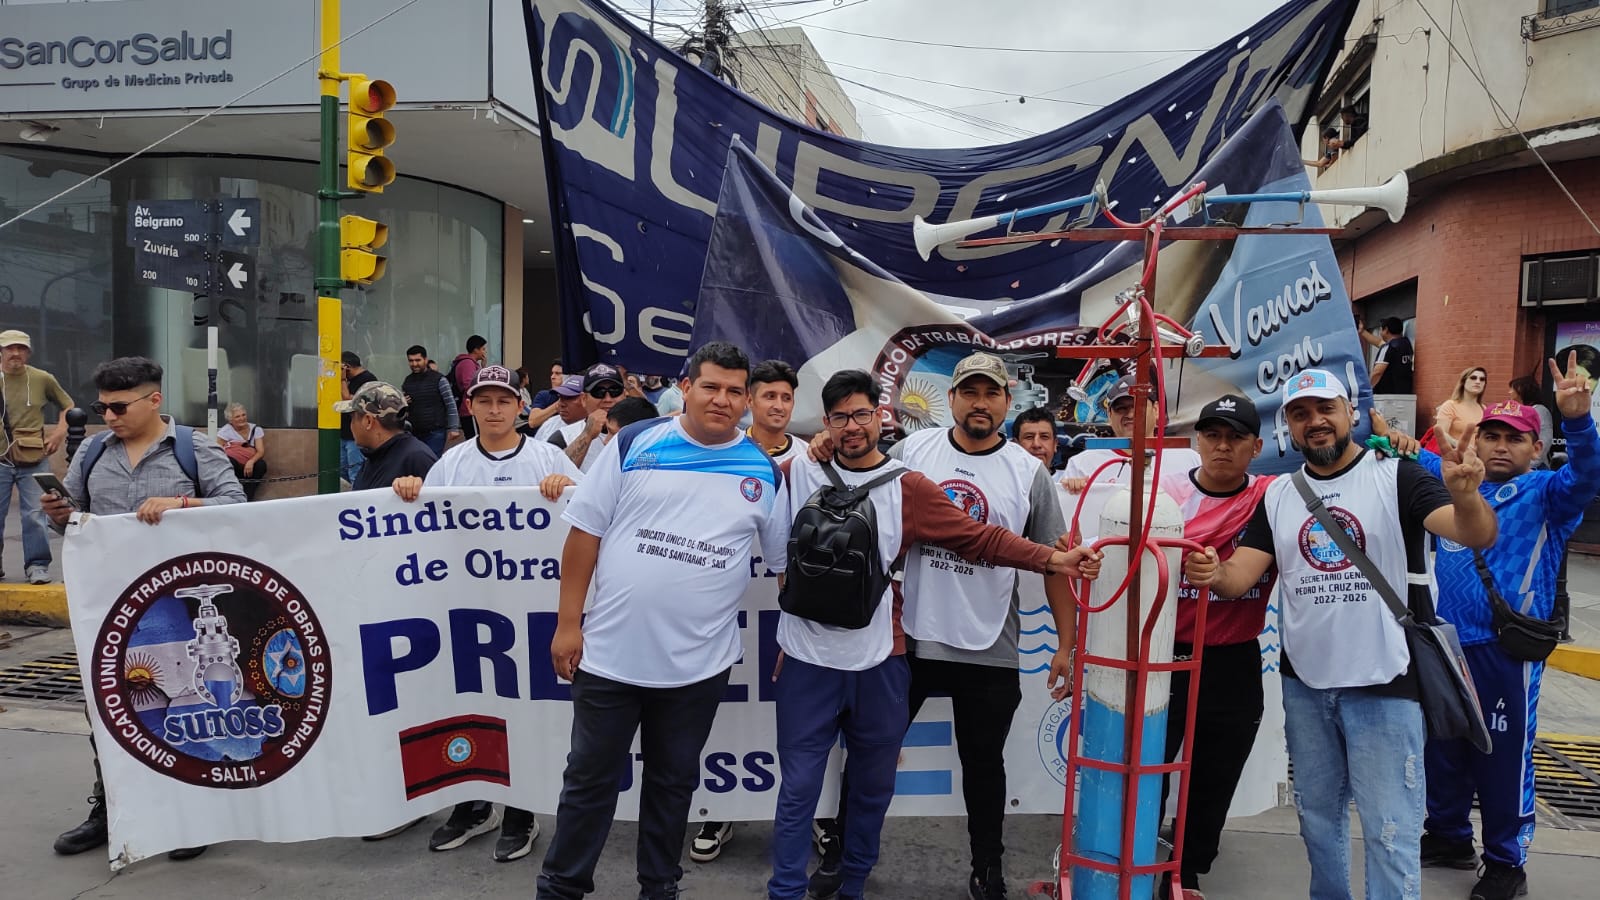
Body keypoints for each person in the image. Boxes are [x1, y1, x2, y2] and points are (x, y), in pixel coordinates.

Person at [770, 367, 1100, 900]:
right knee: (848, 774)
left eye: (991, 393)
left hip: (979, 642)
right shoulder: (905, 454)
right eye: (969, 391)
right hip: (903, 639)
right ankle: (831, 864)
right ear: (951, 398)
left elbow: (985, 539)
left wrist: (1062, 618)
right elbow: (777, 484)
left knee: (976, 765)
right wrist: (821, 443)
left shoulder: (1015, 473)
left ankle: (984, 869)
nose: (980, 402)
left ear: (1007, 400)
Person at [1183, 367, 1497, 900]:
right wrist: (1213, 572)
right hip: (1306, 687)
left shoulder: (1397, 475)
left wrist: (1466, 495)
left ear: (1350, 412)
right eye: (1300, 413)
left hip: (1386, 683)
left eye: (1326, 408)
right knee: (1318, 828)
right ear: (1287, 427)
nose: (1315, 421)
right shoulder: (1280, 495)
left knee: (1389, 832)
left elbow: (1475, 533)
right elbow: (1239, 577)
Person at [536, 341, 791, 900]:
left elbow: (783, 568)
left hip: (698, 667)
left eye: (734, 391)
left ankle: (659, 888)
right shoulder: (634, 442)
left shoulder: (764, 472)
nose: (722, 399)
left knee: (672, 786)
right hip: (609, 657)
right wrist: (568, 624)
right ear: (686, 387)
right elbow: (585, 534)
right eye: (710, 386)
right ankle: (560, 888)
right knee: (588, 783)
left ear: (746, 400)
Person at [1412, 355, 1600, 900]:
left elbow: (1588, 474)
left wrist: (1578, 421)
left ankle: (1506, 862)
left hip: (1505, 651)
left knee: (1501, 756)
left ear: (1535, 448)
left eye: (1513, 438)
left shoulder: (1549, 493)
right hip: (1447, 645)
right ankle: (1448, 836)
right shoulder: (1454, 479)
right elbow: (1408, 455)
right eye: (1490, 435)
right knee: (1443, 749)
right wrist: (1382, 431)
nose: (1499, 446)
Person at [43, 356, 245, 862]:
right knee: (106, 709)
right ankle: (110, 807)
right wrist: (60, 514)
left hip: (174, 608)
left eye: (118, 407)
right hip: (108, 606)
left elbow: (237, 505)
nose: (109, 417)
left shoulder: (193, 448)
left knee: (184, 706)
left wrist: (182, 504)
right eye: (102, 408)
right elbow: (75, 522)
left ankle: (192, 811)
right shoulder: (93, 450)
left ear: (154, 400)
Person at [392, 364, 582, 863]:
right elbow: (422, 523)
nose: (494, 410)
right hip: (470, 609)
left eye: (503, 401)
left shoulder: (547, 457)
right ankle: (474, 805)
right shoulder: (452, 463)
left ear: (520, 406)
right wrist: (410, 489)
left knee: (524, 708)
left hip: (530, 609)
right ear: (470, 406)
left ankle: (521, 811)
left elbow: (588, 516)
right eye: (484, 401)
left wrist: (567, 485)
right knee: (469, 703)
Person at [1155, 394, 1279, 898]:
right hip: (1162, 655)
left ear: (1257, 447)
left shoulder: (1274, 497)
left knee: (1214, 777)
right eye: (1212, 435)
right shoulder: (1162, 494)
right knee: (1148, 771)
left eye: (1235, 437)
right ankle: (1138, 862)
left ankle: (1185, 874)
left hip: (1231, 660)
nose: (1222, 446)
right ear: (1196, 441)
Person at [690, 359, 803, 864]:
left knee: (793, 720)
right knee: (726, 712)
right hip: (723, 611)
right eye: (768, 396)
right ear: (749, 401)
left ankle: (818, 815)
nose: (777, 405)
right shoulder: (719, 450)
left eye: (786, 397)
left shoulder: (811, 458)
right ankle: (719, 809)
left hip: (783, 611)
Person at [0, 329, 74, 583]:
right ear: (1, 351)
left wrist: (59, 433)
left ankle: (37, 565)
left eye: (21, 348)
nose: (16, 353)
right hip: (0, 458)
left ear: (29, 352)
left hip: (33, 457)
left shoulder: (42, 378)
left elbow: (68, 406)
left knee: (35, 514)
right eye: (10, 348)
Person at [338, 381, 437, 492]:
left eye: (352, 418)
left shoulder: (417, 458)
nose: (351, 425)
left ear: (368, 421)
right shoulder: (376, 455)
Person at [549, 363, 624, 472]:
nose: (608, 399)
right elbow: (553, 473)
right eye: (599, 392)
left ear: (624, 395)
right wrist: (587, 434)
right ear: (584, 399)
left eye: (615, 391)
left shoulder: (639, 433)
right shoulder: (563, 436)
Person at [401, 345, 462, 456]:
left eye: (418, 360)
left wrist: (454, 427)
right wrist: (402, 402)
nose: (414, 364)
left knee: (432, 462)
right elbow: (406, 409)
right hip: (414, 432)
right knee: (417, 462)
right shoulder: (407, 381)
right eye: (411, 361)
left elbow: (450, 404)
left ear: (425, 360)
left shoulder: (439, 379)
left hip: (435, 432)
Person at [340, 351, 377, 485]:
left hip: (356, 437)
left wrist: (342, 379)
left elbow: (348, 400)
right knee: (342, 471)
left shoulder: (368, 380)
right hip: (344, 433)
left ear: (347, 367)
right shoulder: (350, 380)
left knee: (355, 473)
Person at [217, 402, 267, 500]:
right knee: (229, 462)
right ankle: (234, 494)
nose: (242, 418)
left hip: (250, 465)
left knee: (261, 465)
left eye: (243, 415)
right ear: (231, 420)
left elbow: (260, 451)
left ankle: (248, 497)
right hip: (234, 467)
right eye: (237, 416)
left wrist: (251, 462)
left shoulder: (256, 429)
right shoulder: (225, 431)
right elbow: (217, 451)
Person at [1436, 366, 1489, 452]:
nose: (1478, 381)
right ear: (1463, 382)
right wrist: (1458, 444)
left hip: (1478, 456)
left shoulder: (1484, 408)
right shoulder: (1450, 405)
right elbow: (1441, 433)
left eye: (1482, 379)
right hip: (1456, 455)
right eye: (1473, 378)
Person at [1507, 375, 1552, 468]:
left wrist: (1528, 466)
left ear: (1521, 390)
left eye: (1512, 389)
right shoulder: (1515, 411)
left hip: (1534, 468)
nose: (1509, 392)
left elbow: (1544, 442)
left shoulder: (1540, 411)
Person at [449, 335, 489, 438]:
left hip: (471, 408)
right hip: (469, 410)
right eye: (483, 349)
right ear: (476, 350)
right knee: (475, 439)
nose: (485, 352)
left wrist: (483, 367)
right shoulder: (467, 363)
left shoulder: (472, 364)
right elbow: (469, 386)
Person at [1367, 317, 1414, 396]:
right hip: (1406, 394)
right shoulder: (1406, 344)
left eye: (1381, 330)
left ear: (1386, 330)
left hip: (1387, 396)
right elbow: (1379, 342)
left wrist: (1366, 390)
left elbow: (1377, 372)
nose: (1380, 333)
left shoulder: (1388, 347)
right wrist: (1362, 332)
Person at [531, 375, 586, 442]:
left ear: (584, 399)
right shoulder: (550, 424)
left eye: (569, 398)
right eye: (560, 397)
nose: (561, 404)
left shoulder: (594, 429)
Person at [1011, 405, 1060, 472]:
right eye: (1029, 437)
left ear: (1055, 444)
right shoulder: (1002, 478)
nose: (1036, 444)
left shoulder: (1068, 476)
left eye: (1044, 437)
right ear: (1015, 445)